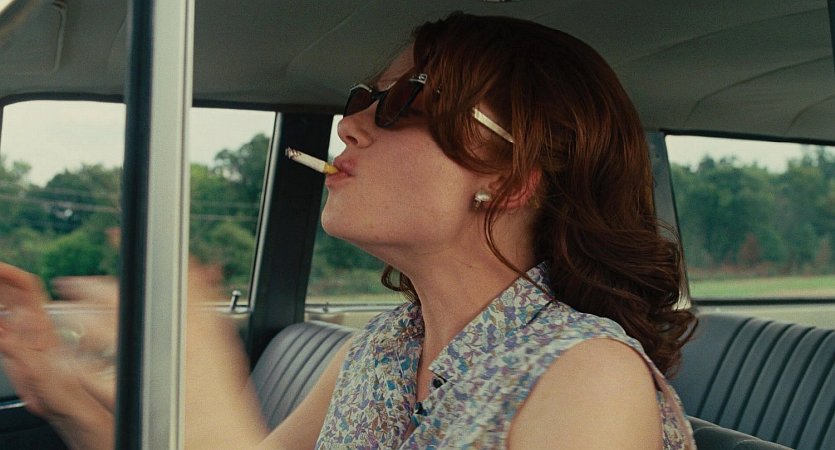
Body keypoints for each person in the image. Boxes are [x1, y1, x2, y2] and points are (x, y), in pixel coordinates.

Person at [0, 12, 697, 449]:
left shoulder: (588, 376)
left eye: (404, 102)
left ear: (512, 181)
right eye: (364, 97)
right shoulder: (380, 353)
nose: (350, 123)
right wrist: (68, 400)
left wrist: (205, 384)